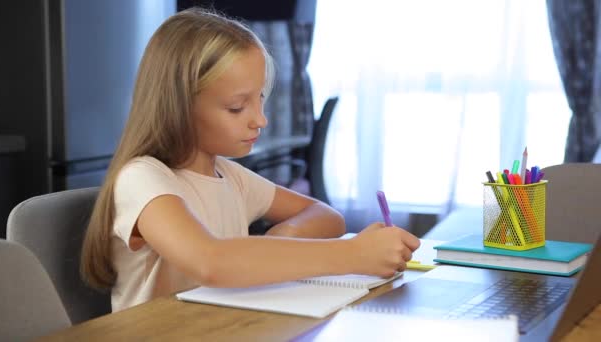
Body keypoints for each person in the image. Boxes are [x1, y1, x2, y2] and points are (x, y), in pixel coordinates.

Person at [80, 7, 420, 312]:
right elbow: (210, 262)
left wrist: (276, 246)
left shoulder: (230, 176)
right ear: (180, 106)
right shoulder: (143, 179)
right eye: (237, 107)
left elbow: (326, 217)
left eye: (260, 100)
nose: (260, 120)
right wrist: (354, 254)